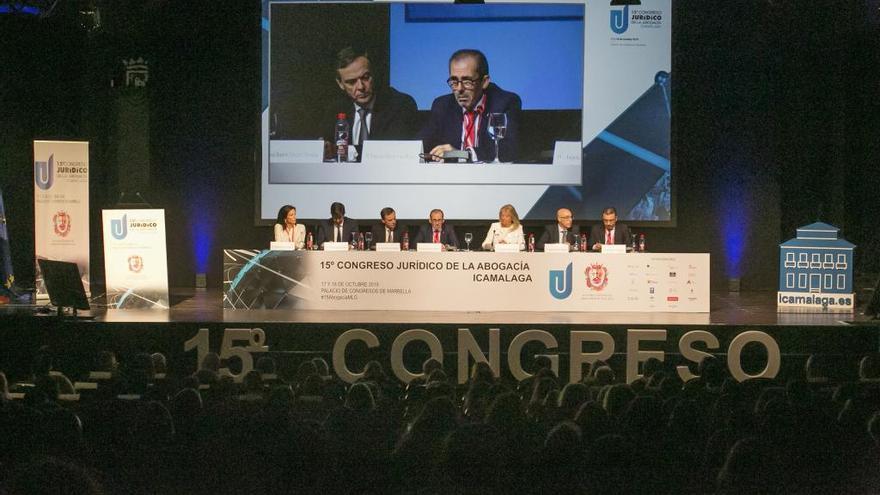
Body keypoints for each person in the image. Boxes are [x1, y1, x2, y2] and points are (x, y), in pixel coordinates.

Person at [420, 49, 521, 163]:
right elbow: (420, 147)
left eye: (467, 82)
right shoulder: (442, 105)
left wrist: (461, 154)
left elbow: (509, 149)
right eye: (454, 82)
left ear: (484, 82)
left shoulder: (505, 102)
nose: (459, 89)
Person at [321, 47, 419, 160]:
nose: (361, 87)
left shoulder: (400, 105)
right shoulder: (336, 109)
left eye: (365, 78)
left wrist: (343, 151)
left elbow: (391, 151)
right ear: (340, 84)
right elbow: (324, 145)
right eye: (351, 82)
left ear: (374, 74)